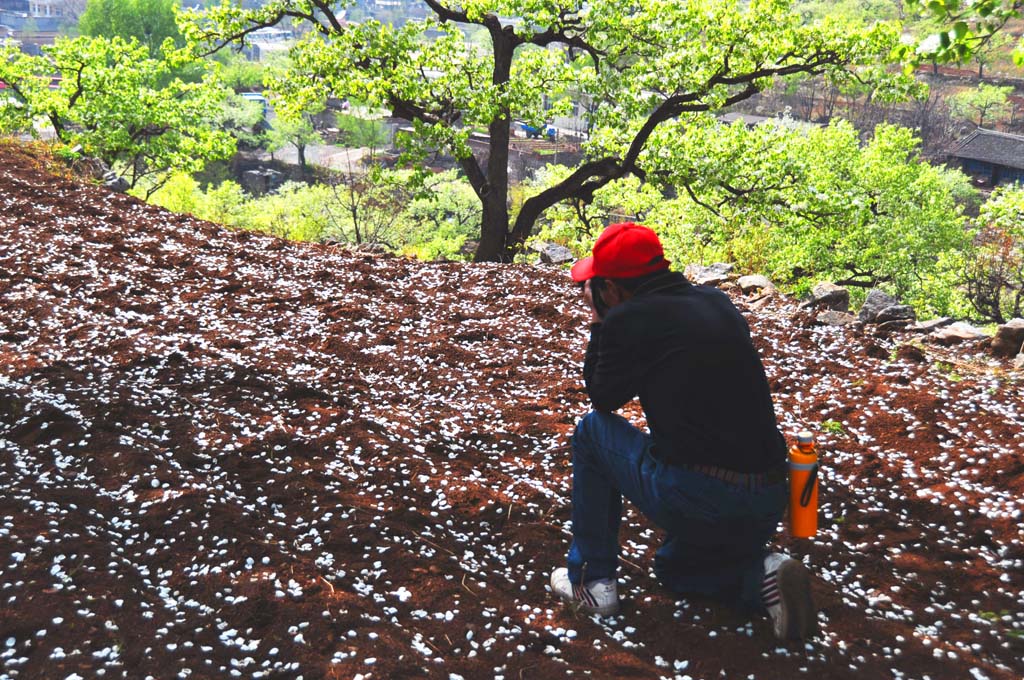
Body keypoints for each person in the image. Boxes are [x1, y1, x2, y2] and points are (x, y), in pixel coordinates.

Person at [549, 222, 816, 640]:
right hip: (768, 496)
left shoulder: (628, 318)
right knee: (672, 568)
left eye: (598, 284)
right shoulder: (717, 302)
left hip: (700, 496)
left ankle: (592, 583)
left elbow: (602, 396)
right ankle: (761, 577)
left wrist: (600, 320)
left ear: (614, 288)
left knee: (591, 433)